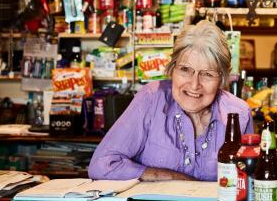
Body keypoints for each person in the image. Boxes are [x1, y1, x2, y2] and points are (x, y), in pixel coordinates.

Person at [88, 21, 253, 181]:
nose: (194, 85)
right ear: (172, 68)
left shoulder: (239, 113)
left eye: (207, 74)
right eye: (185, 70)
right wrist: (168, 176)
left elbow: (251, 180)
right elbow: (101, 165)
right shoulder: (152, 98)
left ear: (222, 79)